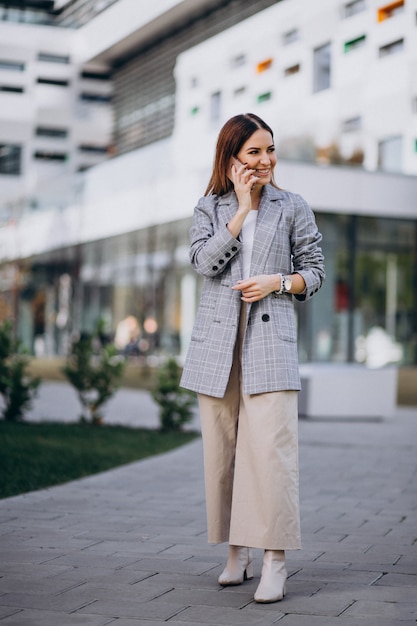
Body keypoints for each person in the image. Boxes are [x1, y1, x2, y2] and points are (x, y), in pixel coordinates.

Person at [180, 113, 325, 603]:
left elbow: (315, 271)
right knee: (224, 455)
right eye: (254, 153)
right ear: (232, 159)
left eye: (270, 150)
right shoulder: (209, 207)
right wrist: (239, 211)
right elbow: (204, 263)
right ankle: (236, 552)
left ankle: (275, 561)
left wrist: (277, 283)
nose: (266, 161)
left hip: (270, 343)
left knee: (271, 456)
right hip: (218, 348)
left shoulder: (293, 206)